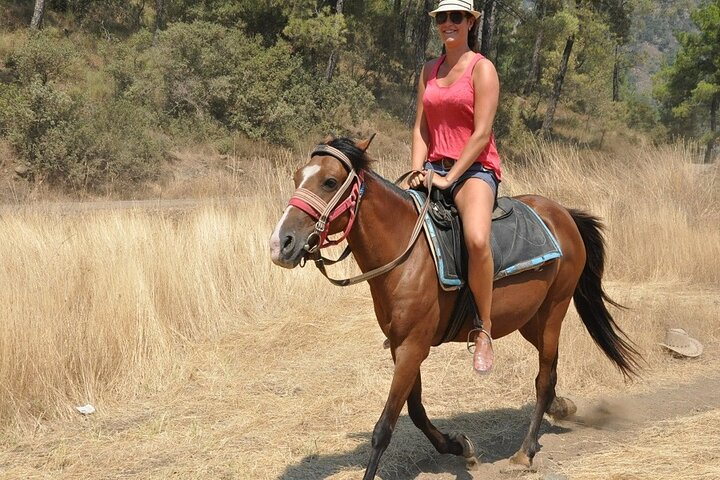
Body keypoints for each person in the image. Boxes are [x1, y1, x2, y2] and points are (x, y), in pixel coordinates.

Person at [408, 0, 502, 375]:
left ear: (470, 22)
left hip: (474, 170)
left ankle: (484, 328)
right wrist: (417, 169)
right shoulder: (429, 70)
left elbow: (481, 134)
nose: (449, 23)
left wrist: (450, 178)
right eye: (442, 18)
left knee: (477, 239)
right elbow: (421, 127)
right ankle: (410, 318)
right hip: (431, 168)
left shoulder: (483, 69)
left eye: (456, 17)